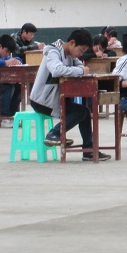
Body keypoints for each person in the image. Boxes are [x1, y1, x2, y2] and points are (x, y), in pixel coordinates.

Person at [34, 29, 110, 160]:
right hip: (42, 100)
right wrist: (80, 70)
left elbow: (81, 67)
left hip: (58, 99)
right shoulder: (52, 51)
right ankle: (53, 133)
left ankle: (88, 150)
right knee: (81, 112)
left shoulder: (71, 55)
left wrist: (81, 69)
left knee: (85, 112)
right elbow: (57, 70)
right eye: (81, 50)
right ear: (72, 43)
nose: (81, 54)